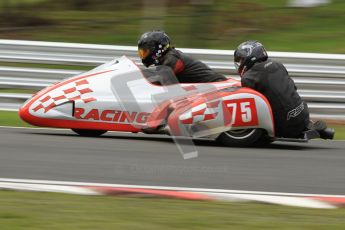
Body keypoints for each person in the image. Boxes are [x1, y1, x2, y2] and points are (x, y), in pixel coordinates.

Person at [233, 40, 334, 139]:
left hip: (283, 126)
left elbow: (251, 107)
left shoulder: (249, 77)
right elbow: (293, 88)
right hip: (303, 115)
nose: (240, 63)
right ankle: (312, 126)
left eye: (241, 59)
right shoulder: (278, 65)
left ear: (250, 56)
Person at [137, 30, 227, 84]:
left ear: (158, 48)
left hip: (216, 86)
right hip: (206, 89)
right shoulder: (166, 59)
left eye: (145, 52)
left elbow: (162, 79)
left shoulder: (171, 58)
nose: (143, 56)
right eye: (141, 52)